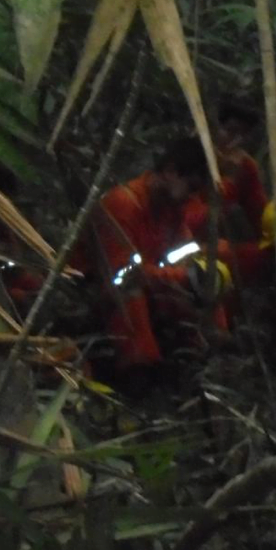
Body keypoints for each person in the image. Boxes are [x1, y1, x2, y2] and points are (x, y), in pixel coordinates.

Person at [78, 137, 232, 374]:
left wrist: (202, 274)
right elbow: (122, 276)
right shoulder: (123, 204)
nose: (192, 198)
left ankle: (212, 355)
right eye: (191, 188)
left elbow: (187, 255)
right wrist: (182, 277)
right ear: (170, 170)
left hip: (146, 285)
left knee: (204, 279)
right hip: (95, 291)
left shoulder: (171, 210)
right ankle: (141, 369)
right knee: (132, 293)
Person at [182, 101, 274, 288]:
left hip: (221, 247)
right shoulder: (192, 156)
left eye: (243, 135)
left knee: (275, 252)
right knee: (220, 254)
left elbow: (261, 215)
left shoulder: (243, 166)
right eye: (231, 132)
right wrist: (229, 183)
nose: (236, 141)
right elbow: (193, 222)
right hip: (185, 248)